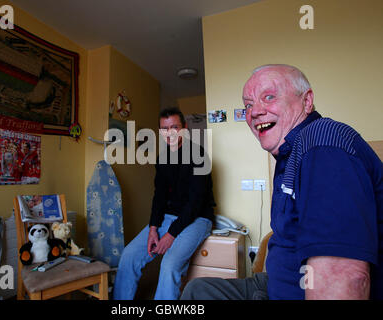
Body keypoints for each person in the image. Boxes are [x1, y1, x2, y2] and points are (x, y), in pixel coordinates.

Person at [181, 64, 383, 300]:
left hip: (297, 290)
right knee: (197, 289)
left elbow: (343, 277)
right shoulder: (290, 154)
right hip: (277, 282)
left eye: (269, 97)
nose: (255, 111)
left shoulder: (322, 144)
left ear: (306, 101)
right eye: (248, 104)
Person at [113, 107, 216, 300]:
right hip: (169, 217)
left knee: (169, 265)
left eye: (175, 127)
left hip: (198, 218)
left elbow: (195, 203)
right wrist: (153, 228)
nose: (170, 133)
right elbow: (159, 197)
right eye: (164, 128)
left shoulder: (199, 155)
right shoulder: (162, 159)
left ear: (184, 128)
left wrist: (171, 235)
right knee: (128, 256)